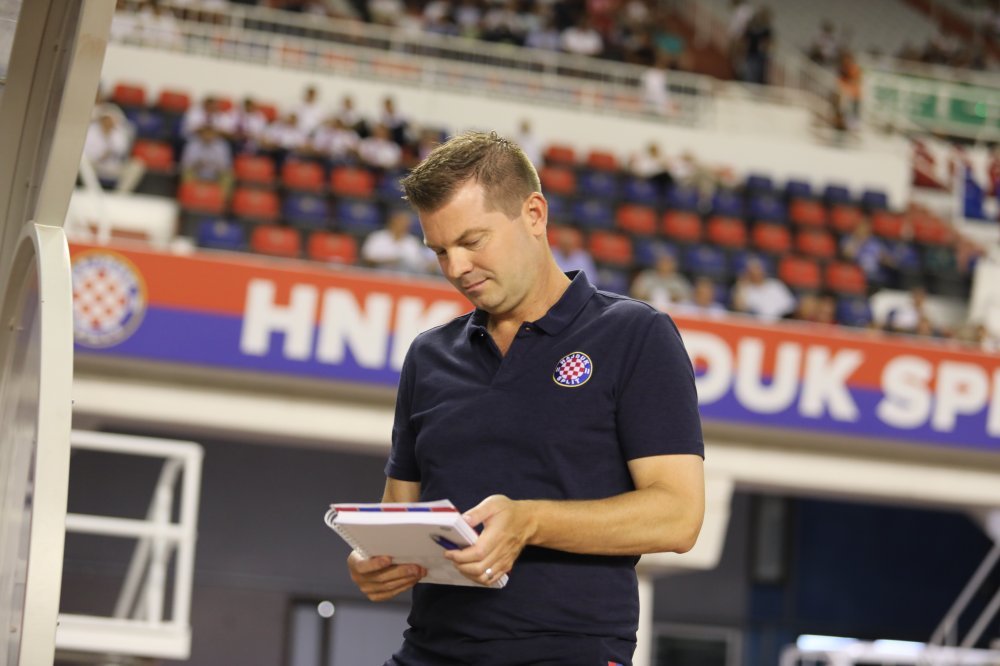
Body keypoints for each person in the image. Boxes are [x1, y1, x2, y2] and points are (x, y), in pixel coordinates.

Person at [346, 131, 705, 666]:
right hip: (429, 650)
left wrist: (530, 521)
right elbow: (401, 509)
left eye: (472, 241)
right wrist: (375, 559)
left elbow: (679, 516)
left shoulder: (635, 335)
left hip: (568, 653)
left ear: (534, 214)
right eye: (440, 251)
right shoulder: (428, 355)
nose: (456, 268)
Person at [360, 209, 436, 274]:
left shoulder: (412, 242)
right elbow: (366, 259)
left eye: (406, 223)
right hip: (378, 276)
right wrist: (388, 261)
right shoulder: (377, 237)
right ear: (392, 222)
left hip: (404, 279)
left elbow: (418, 264)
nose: (403, 226)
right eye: (400, 222)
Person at [730, 257, 795, 321]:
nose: (755, 272)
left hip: (781, 322)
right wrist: (742, 284)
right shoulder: (744, 289)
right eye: (751, 269)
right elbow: (739, 308)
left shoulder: (775, 284)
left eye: (758, 268)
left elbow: (790, 306)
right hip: (756, 324)